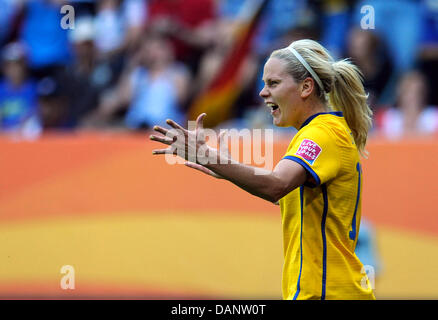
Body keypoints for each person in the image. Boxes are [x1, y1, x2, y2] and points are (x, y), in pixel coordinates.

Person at [150, 39, 375, 300]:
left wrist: (209, 158)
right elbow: (289, 195)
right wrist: (224, 167)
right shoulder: (319, 132)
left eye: (273, 83)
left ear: (306, 87)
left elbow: (276, 185)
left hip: (330, 293)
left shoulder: (321, 134)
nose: (262, 92)